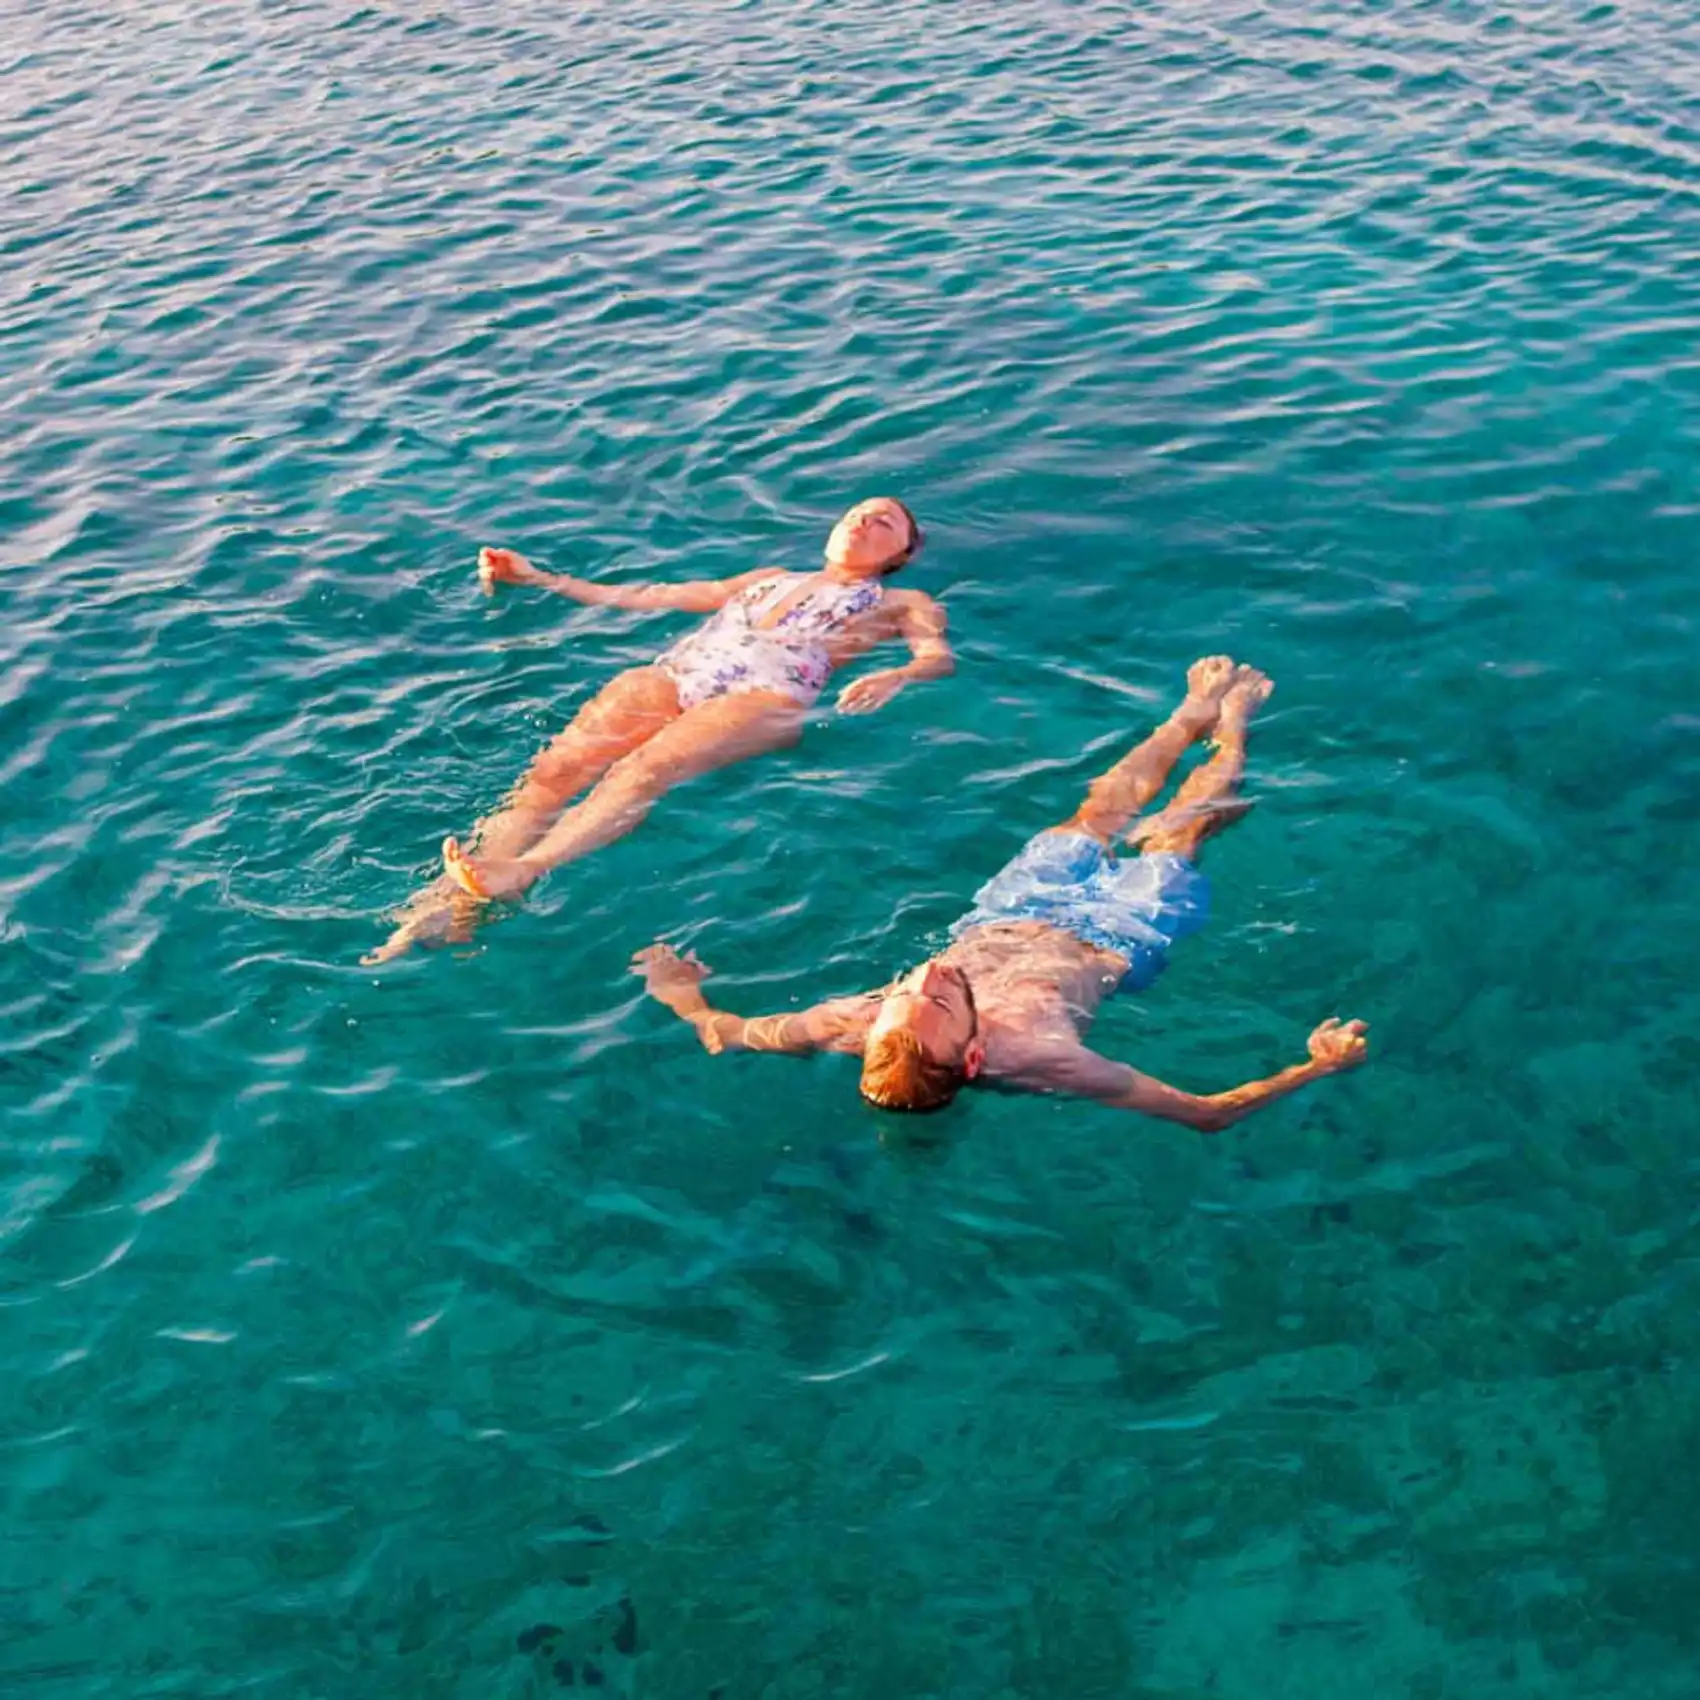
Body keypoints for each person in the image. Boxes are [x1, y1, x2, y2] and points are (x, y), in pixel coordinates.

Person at [633, 657, 1369, 1128]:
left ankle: (1186, 715)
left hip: (1014, 912)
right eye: (944, 999)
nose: (928, 976)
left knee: (1095, 814)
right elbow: (1206, 1113)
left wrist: (678, 991)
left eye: (906, 992)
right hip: (1119, 936)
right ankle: (1234, 727)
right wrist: (1321, 1064)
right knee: (1177, 833)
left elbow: (727, 1032)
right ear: (977, 1057)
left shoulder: (850, 1023)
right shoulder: (1050, 1060)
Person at [364, 497, 950, 963]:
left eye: (884, 521)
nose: (864, 521)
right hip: (683, 671)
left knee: (643, 769)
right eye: (857, 513)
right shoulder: (768, 577)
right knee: (555, 771)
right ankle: (446, 905)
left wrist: (898, 675)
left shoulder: (901, 599)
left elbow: (936, 656)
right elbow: (653, 597)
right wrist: (540, 578)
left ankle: (524, 870)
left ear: (899, 553)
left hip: (769, 692)